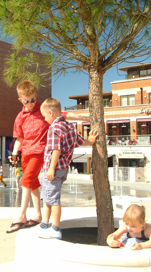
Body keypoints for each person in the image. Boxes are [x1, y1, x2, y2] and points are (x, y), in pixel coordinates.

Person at [6, 80, 89, 233]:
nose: (30, 103)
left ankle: (22, 215)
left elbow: (64, 114)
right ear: (20, 100)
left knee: (25, 181)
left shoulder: (44, 109)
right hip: (25, 152)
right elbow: (19, 138)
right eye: (27, 101)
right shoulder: (20, 117)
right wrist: (14, 153)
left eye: (32, 99)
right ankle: (37, 215)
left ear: (36, 96)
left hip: (40, 152)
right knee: (32, 183)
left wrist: (85, 118)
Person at [36, 98, 98, 240]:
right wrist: (91, 140)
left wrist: (51, 168)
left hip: (54, 168)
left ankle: (56, 229)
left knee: (53, 199)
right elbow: (81, 141)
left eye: (45, 116)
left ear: (50, 113)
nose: (45, 119)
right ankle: (44, 224)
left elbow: (56, 149)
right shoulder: (69, 127)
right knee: (48, 196)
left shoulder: (54, 129)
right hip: (62, 169)